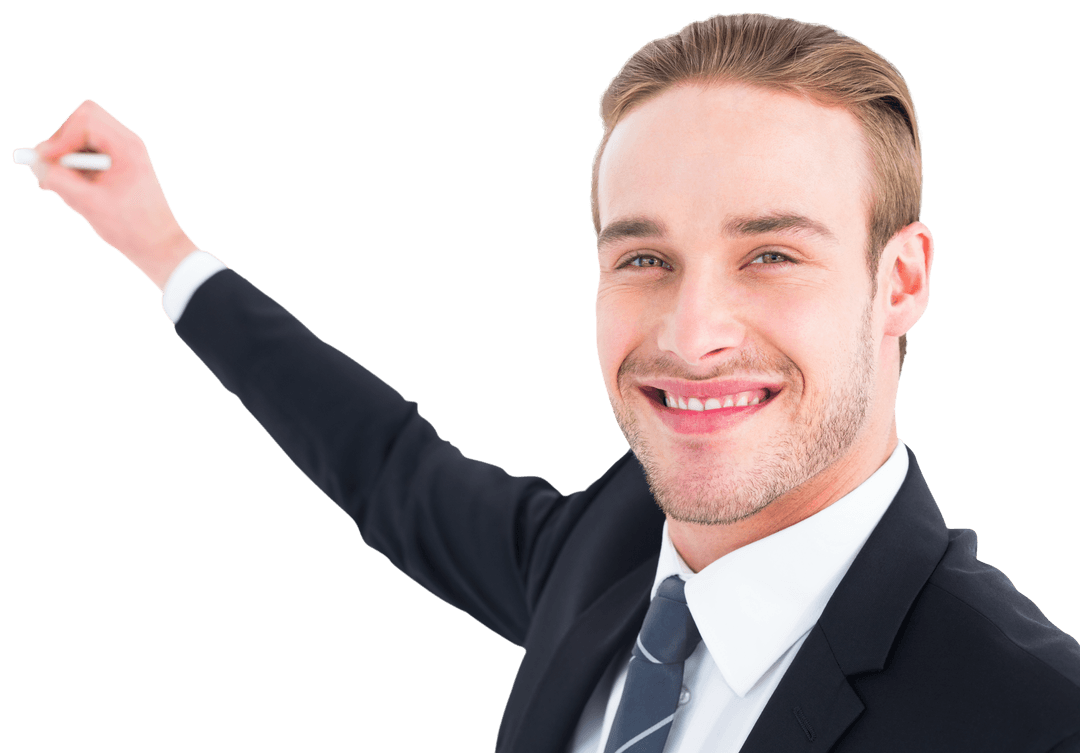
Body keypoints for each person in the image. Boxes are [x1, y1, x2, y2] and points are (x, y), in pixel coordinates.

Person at [16, 12, 1080, 753]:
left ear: (899, 281)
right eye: (644, 258)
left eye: (771, 254)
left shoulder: (1033, 720)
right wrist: (163, 250)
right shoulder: (612, 542)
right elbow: (392, 471)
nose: (694, 334)